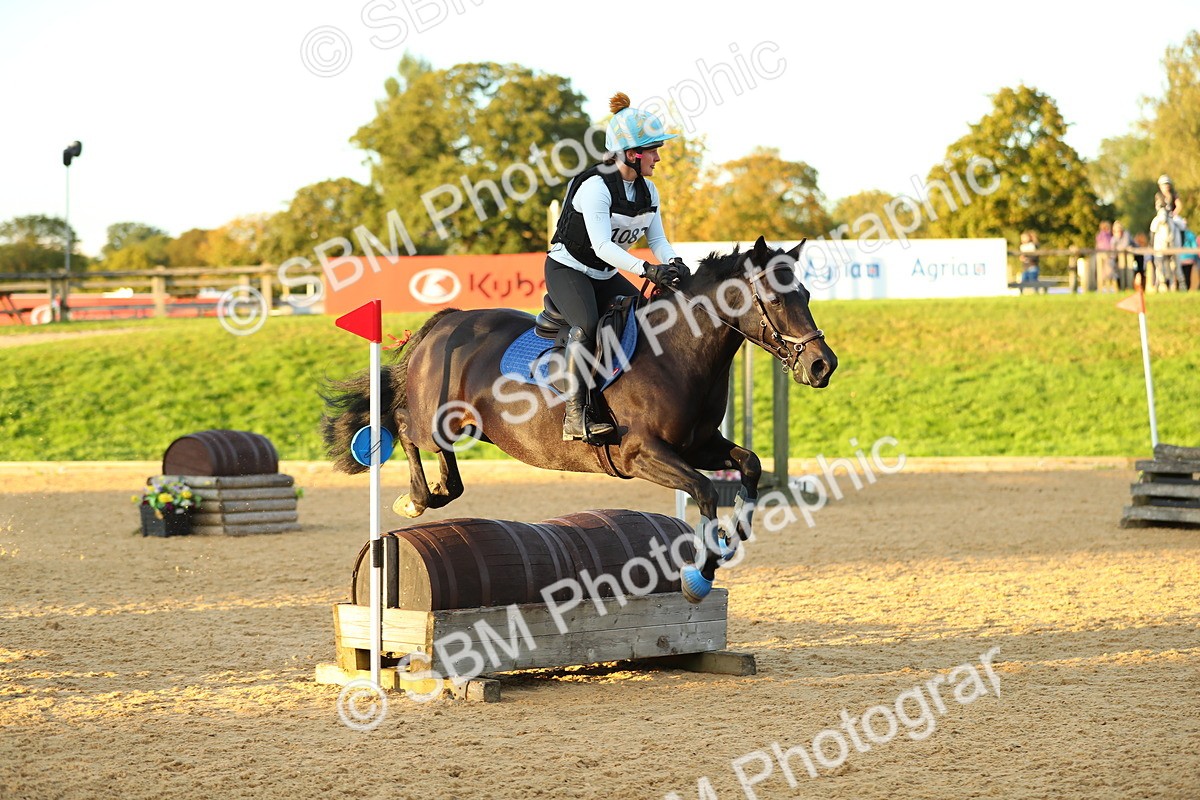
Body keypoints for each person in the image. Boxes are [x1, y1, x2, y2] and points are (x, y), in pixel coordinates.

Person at [546, 92, 686, 441]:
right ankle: (574, 418)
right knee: (588, 325)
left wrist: (673, 263)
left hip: (605, 274)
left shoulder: (648, 191)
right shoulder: (596, 187)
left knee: (645, 320)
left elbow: (658, 242)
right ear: (631, 154)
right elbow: (603, 246)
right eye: (653, 150)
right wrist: (646, 271)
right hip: (569, 270)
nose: (657, 157)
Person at [1110, 220, 1131, 290]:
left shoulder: (1126, 234)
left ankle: (1128, 286)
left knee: (1127, 266)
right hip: (1120, 258)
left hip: (1132, 256)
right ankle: (1121, 287)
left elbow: (1125, 245)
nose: (1118, 232)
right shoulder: (1113, 239)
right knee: (1116, 267)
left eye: (1119, 230)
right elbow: (1113, 252)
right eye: (1116, 230)